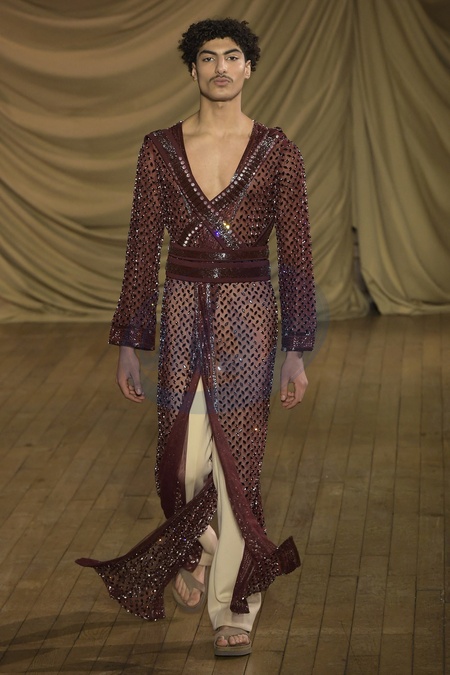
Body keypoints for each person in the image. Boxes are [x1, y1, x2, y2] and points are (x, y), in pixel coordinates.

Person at [76, 17, 316, 657]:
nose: (220, 68)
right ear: (192, 70)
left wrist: (296, 351)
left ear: (248, 68)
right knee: (180, 466)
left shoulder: (277, 150)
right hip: (183, 310)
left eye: (232, 57)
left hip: (250, 317)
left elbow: (296, 255)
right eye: (208, 58)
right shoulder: (160, 150)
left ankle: (234, 606)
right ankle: (199, 547)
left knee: (238, 463)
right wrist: (129, 343)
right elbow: (141, 248)